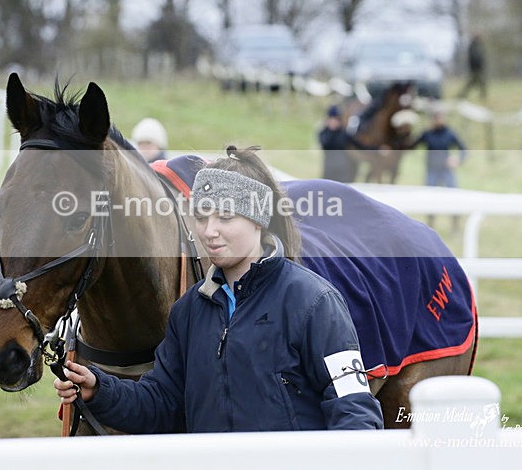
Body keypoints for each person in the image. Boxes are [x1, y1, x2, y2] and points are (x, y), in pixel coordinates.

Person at [55, 146, 384, 432]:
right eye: (201, 216)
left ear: (257, 219)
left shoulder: (314, 302)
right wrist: (99, 389)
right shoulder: (188, 312)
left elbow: (353, 409)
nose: (209, 231)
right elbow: (162, 404)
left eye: (225, 217)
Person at [409, 109, 467, 189]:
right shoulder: (427, 134)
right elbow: (411, 145)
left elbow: (463, 149)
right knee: (429, 192)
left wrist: (458, 159)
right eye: (436, 118)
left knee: (453, 192)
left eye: (440, 118)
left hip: (446, 168)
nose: (438, 120)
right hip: (432, 169)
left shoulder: (449, 133)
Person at [317, 104, 374, 182]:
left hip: (343, 172)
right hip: (328, 170)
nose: (334, 122)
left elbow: (360, 145)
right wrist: (331, 130)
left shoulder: (344, 134)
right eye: (332, 119)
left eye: (336, 119)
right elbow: (326, 143)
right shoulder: (323, 133)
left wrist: (377, 148)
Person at [458, 33, 486, 100]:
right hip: (475, 69)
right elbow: (474, 58)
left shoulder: (476, 46)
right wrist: (478, 66)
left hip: (477, 68)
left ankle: (462, 96)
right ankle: (462, 96)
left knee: (475, 83)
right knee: (475, 83)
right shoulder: (473, 46)